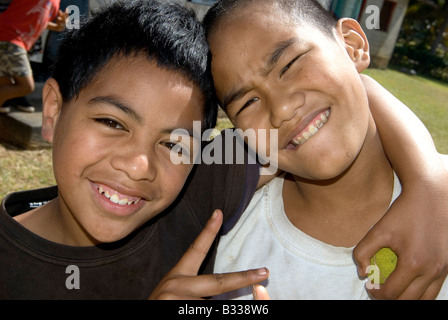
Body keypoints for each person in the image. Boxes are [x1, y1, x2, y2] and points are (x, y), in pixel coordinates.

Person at [0, 0, 269, 299]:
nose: (139, 166)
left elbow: (297, 130)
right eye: (112, 123)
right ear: (52, 111)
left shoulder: (193, 192)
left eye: (172, 144)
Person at [200, 0, 448, 299]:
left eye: (290, 64)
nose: (282, 109)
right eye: (247, 102)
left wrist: (431, 184)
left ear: (352, 46)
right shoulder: (223, 241)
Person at [0, 0, 65, 113]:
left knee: (5, 83)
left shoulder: (55, 3)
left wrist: (58, 26)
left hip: (11, 41)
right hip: (10, 39)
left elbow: (39, 20)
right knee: (26, 86)